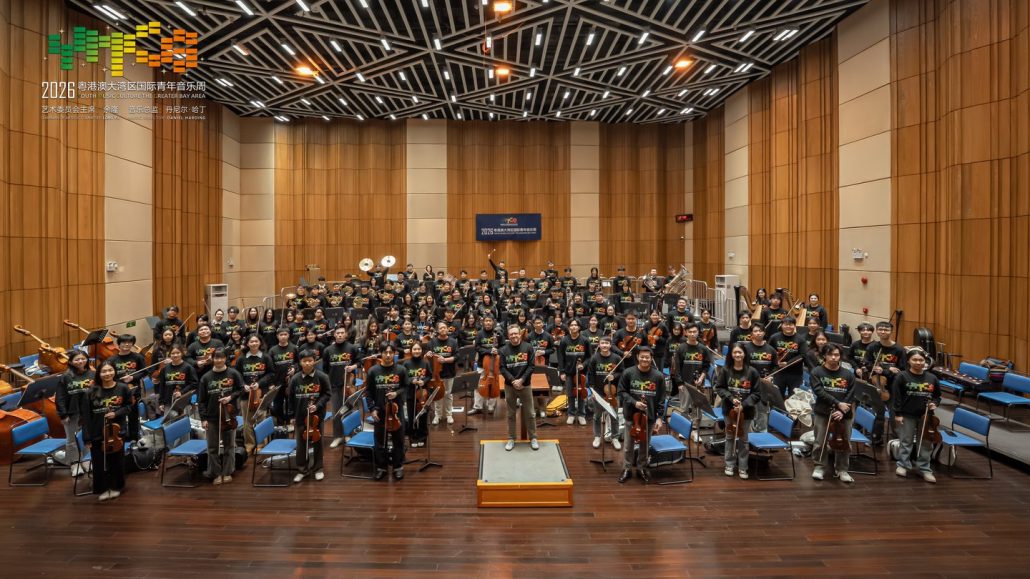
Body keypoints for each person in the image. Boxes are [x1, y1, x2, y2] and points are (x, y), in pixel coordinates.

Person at [891, 349, 942, 483]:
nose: (918, 362)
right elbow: (896, 397)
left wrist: (935, 403)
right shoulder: (901, 376)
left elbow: (937, 396)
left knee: (926, 442)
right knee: (906, 441)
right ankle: (903, 465)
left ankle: (924, 468)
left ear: (925, 361)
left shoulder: (932, 378)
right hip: (907, 414)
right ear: (908, 361)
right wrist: (898, 414)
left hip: (926, 416)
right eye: (914, 360)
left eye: (921, 360)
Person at [83, 360, 131, 501]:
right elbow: (86, 416)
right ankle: (102, 488)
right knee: (99, 463)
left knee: (116, 461)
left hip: (116, 431)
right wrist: (87, 437)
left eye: (110, 370)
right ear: (98, 374)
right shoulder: (90, 392)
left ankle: (116, 487)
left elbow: (128, 407)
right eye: (104, 371)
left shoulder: (123, 388)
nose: (107, 373)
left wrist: (116, 413)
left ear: (115, 371)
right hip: (97, 432)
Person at [617, 346, 666, 484]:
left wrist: (660, 417)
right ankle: (626, 468)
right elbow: (621, 392)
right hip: (630, 415)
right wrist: (634, 403)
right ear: (637, 357)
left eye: (647, 357)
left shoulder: (658, 376)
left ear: (651, 358)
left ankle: (641, 468)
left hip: (649, 417)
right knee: (628, 445)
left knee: (645, 445)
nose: (645, 359)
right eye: (642, 357)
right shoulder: (628, 372)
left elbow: (662, 398)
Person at [809, 343, 857, 484]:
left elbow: (851, 394)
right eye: (830, 354)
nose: (833, 357)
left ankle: (842, 469)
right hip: (823, 412)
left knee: (844, 442)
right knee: (820, 442)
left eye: (836, 355)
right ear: (824, 355)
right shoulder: (817, 372)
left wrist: (841, 410)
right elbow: (819, 391)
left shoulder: (848, 374)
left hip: (844, 414)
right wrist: (837, 403)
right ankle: (819, 467)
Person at [713, 343, 761, 479]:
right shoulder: (725, 370)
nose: (737, 355)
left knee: (743, 439)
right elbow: (719, 387)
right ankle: (729, 464)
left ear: (744, 354)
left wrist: (743, 405)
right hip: (729, 410)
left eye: (740, 352)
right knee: (729, 437)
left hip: (747, 412)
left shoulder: (752, 372)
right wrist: (731, 398)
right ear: (731, 354)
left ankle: (743, 467)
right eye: (735, 352)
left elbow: (757, 394)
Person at [198, 350, 245, 485]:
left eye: (221, 357)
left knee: (229, 446)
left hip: (229, 416)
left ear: (225, 358)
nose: (218, 360)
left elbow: (241, 389)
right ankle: (216, 473)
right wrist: (203, 419)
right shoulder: (206, 377)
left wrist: (230, 397)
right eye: (216, 358)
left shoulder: (233, 373)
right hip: (212, 417)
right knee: (212, 448)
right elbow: (201, 401)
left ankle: (228, 472)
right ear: (212, 359)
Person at [364, 343, 409, 480]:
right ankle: (381, 467)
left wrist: (396, 393)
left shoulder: (401, 369)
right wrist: (372, 409)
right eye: (385, 352)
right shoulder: (373, 371)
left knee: (398, 440)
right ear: (381, 353)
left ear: (394, 353)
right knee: (379, 441)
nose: (388, 355)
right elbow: (368, 392)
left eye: (391, 352)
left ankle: (398, 467)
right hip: (379, 411)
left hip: (396, 411)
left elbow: (406, 387)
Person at [289, 349, 331, 483]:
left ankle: (318, 469)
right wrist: (291, 415)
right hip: (300, 416)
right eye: (304, 361)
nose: (307, 363)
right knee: (301, 445)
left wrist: (317, 405)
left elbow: (327, 394)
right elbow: (290, 398)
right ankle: (302, 470)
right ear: (300, 362)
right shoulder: (295, 378)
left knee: (318, 443)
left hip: (317, 417)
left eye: (310, 360)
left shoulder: (322, 377)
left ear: (314, 361)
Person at [499, 325, 538, 451]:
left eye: (516, 333)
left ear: (519, 334)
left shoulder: (528, 347)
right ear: (508, 336)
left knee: (530, 413)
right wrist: (513, 381)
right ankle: (511, 438)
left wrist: (521, 380)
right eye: (511, 334)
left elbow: (531, 366)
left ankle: (533, 437)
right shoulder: (503, 350)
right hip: (510, 386)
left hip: (525, 385)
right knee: (511, 414)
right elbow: (502, 368)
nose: (514, 336)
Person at [56, 350, 94, 477]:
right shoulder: (66, 376)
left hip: (88, 412)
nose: (80, 361)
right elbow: (60, 397)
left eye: (83, 358)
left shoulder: (92, 374)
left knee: (88, 437)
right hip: (72, 412)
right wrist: (63, 414)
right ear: (71, 361)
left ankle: (86, 460)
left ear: (87, 359)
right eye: (77, 359)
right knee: (71, 439)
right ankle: (75, 463)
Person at [235, 334, 274, 454]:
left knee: (261, 418)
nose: (254, 343)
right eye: (251, 341)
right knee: (247, 421)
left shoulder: (266, 357)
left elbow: (271, 374)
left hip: (261, 393)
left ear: (260, 343)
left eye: (256, 341)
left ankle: (261, 444)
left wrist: (259, 383)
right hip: (246, 394)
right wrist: (243, 385)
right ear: (247, 344)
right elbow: (237, 375)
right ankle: (249, 444)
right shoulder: (241, 358)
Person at [322, 327, 359, 448]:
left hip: (348, 385)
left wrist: (353, 367)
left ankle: (348, 434)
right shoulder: (328, 350)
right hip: (334, 385)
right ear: (334, 334)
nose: (340, 335)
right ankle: (338, 436)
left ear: (346, 334)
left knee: (348, 410)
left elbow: (359, 362)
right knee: (336, 412)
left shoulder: (352, 348)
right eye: (338, 333)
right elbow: (325, 369)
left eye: (342, 333)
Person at [586, 336, 624, 450]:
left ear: (610, 345)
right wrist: (592, 391)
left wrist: (614, 376)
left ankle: (615, 437)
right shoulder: (594, 358)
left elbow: (622, 372)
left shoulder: (617, 358)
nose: (604, 345)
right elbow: (590, 375)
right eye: (602, 343)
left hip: (612, 393)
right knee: (597, 416)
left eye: (607, 343)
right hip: (598, 392)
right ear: (599, 345)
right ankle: (597, 436)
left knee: (614, 416)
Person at [109, 333, 147, 440]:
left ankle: (134, 438)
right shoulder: (112, 360)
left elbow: (145, 372)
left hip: (134, 392)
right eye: (124, 342)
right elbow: (109, 376)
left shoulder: (138, 357)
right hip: (118, 392)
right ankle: (120, 438)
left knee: (133, 416)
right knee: (119, 416)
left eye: (130, 342)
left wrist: (132, 377)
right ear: (119, 344)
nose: (127, 344)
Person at [558, 319, 591, 425]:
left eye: (575, 325)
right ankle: (571, 414)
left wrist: (583, 365)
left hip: (581, 373)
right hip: (568, 372)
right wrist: (562, 372)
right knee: (570, 394)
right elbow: (561, 357)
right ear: (569, 327)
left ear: (579, 327)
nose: (573, 327)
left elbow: (589, 357)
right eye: (571, 325)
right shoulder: (564, 340)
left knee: (581, 393)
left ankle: (581, 415)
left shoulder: (585, 340)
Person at [426, 322, 458, 425]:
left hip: (449, 372)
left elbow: (457, 356)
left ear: (447, 329)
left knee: (448, 394)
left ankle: (449, 415)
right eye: (440, 328)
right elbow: (428, 357)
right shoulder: (432, 342)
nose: (443, 329)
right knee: (438, 395)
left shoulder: (453, 341)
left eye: (444, 327)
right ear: (437, 330)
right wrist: (428, 355)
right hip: (436, 374)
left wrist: (445, 360)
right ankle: (437, 415)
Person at [155, 343, 197, 417]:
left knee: (183, 422)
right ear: (169, 354)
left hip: (183, 401)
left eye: (178, 353)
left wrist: (182, 392)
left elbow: (194, 384)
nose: (175, 355)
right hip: (168, 401)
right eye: (173, 353)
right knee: (168, 422)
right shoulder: (165, 368)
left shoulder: (188, 368)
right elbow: (162, 386)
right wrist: (161, 402)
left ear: (182, 353)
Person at [470, 316, 502, 416]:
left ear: (493, 322)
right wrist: (488, 351)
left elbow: (504, 346)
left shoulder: (499, 333)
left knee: (493, 384)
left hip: (495, 363)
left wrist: (498, 351)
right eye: (486, 321)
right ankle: (477, 407)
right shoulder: (480, 333)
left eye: (490, 321)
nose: (488, 323)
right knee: (478, 384)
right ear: (483, 322)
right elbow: (477, 347)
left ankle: (491, 406)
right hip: (482, 363)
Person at [768, 316, 805, 398]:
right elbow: (769, 352)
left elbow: (802, 355)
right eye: (786, 324)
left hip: (795, 374)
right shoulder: (774, 337)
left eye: (790, 324)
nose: (788, 326)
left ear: (794, 326)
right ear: (781, 325)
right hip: (779, 373)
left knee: (794, 398)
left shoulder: (800, 339)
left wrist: (787, 364)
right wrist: (776, 361)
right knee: (777, 397)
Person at [403, 342, 432, 447]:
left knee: (423, 416)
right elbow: (404, 378)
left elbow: (429, 376)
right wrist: (412, 381)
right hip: (410, 394)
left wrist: (423, 381)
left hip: (422, 394)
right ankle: (413, 437)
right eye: (414, 349)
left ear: (421, 350)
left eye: (419, 349)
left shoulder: (425, 363)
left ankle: (422, 436)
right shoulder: (406, 363)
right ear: (411, 350)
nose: (417, 351)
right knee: (412, 416)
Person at [268, 328, 298, 424]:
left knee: (290, 404)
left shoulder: (294, 348)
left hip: (291, 382)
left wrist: (295, 369)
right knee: (277, 405)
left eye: (285, 334)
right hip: (277, 383)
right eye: (281, 335)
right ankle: (280, 424)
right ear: (277, 336)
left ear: (288, 335)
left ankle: (289, 423)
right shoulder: (272, 350)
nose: (283, 336)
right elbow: (269, 368)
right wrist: (271, 383)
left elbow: (298, 362)